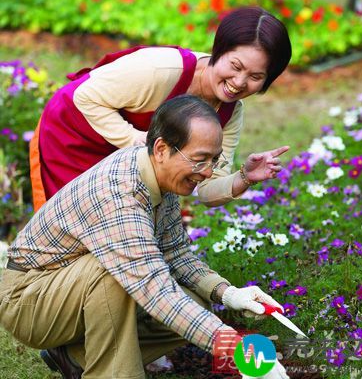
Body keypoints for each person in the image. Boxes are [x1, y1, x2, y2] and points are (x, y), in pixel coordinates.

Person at [1, 95, 289, 379]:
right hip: (28, 302)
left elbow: (175, 254)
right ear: (162, 148)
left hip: (65, 290)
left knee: (196, 299)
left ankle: (77, 358)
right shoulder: (118, 194)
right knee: (113, 271)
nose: (208, 172)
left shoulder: (156, 173)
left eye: (214, 161)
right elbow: (153, 287)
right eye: (200, 160)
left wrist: (227, 293)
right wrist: (233, 347)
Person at [30, 6, 292, 212]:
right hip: (74, 132)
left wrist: (245, 177)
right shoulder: (161, 70)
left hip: (127, 155)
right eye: (235, 66)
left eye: (256, 76)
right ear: (219, 50)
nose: (239, 83)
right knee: (69, 225)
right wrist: (139, 144)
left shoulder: (229, 114)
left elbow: (208, 188)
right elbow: (84, 96)